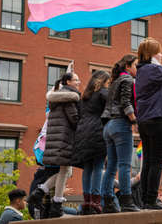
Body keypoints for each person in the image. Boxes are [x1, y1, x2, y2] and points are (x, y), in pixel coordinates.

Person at [28, 72, 81, 217]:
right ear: (68, 82)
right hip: (64, 139)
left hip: (57, 138)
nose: (79, 82)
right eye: (76, 80)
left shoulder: (56, 97)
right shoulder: (69, 97)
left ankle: (42, 193)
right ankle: (53, 200)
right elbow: (74, 119)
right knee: (65, 170)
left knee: (65, 171)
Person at [100, 55, 140, 213]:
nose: (137, 69)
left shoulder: (113, 82)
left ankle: (107, 201)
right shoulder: (128, 80)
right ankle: (127, 201)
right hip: (121, 124)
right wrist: (134, 121)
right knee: (125, 165)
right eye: (136, 65)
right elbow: (126, 102)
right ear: (128, 66)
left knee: (111, 167)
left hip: (108, 126)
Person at [135, 37, 162, 210]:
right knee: (157, 161)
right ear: (153, 54)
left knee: (148, 161)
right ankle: (151, 199)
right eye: (159, 51)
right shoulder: (153, 69)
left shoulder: (141, 70)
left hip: (144, 121)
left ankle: (145, 199)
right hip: (158, 118)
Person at [72, 70, 111, 215]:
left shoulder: (84, 97)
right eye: (107, 81)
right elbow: (111, 107)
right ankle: (96, 201)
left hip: (82, 134)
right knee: (98, 166)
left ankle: (87, 201)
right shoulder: (103, 93)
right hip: (97, 131)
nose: (109, 84)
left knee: (87, 168)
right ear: (102, 81)